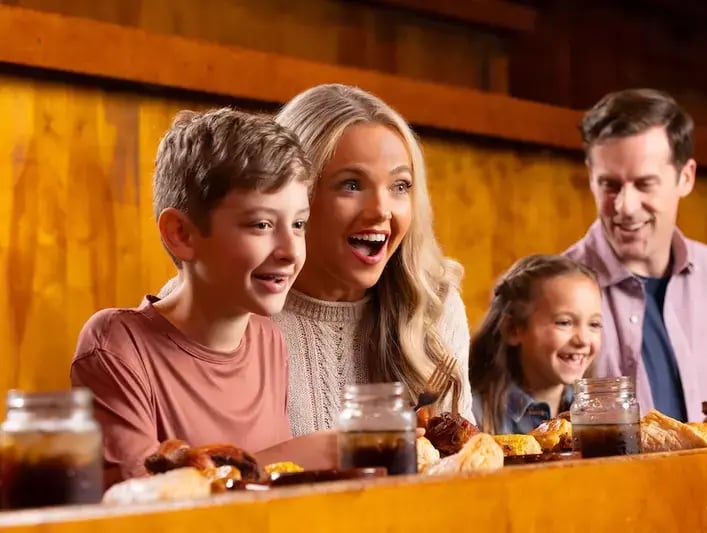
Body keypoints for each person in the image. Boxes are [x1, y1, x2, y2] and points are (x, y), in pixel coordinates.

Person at [161, 84, 473, 436]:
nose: (381, 211)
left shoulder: (432, 304)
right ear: (292, 193)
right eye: (351, 185)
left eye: (400, 186)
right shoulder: (213, 301)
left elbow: (462, 465)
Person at [71, 108, 335, 485]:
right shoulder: (115, 348)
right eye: (261, 225)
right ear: (181, 233)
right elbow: (141, 510)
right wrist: (293, 458)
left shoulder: (268, 339)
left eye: (298, 224)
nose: (291, 251)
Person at [563, 88, 707, 422]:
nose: (625, 207)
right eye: (609, 185)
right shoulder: (550, 293)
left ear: (685, 177)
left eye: (644, 184)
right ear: (590, 178)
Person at [469, 255, 602, 434]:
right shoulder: (471, 415)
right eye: (564, 322)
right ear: (513, 329)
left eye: (594, 324)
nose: (583, 340)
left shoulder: (597, 414)